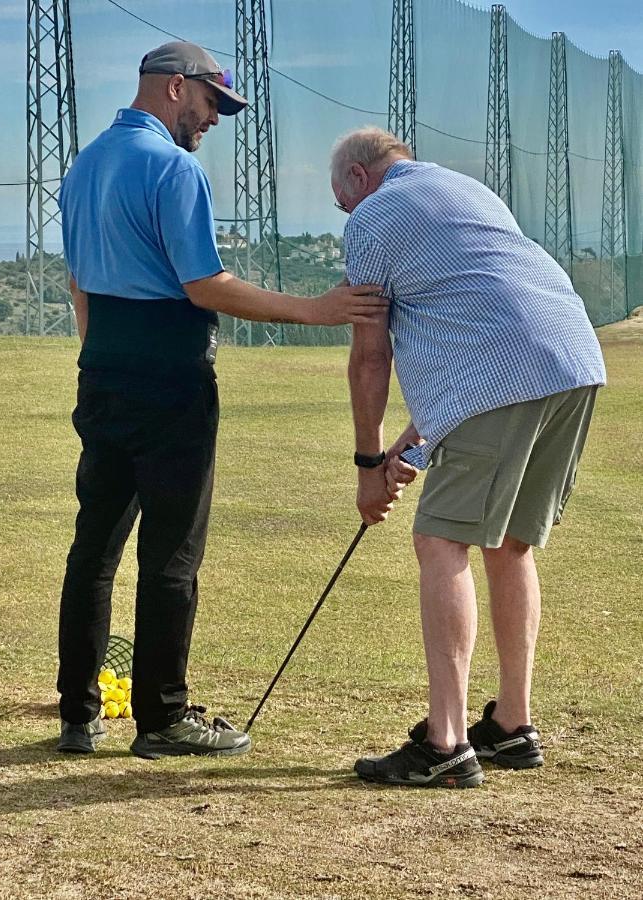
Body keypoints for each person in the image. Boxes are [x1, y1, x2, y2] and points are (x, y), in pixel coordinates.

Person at [56, 42, 386, 760]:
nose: (212, 122)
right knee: (171, 553)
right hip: (170, 380)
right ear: (176, 89)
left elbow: (79, 282)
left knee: (94, 549)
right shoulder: (174, 168)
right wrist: (316, 309)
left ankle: (78, 716)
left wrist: (101, 357)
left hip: (102, 369)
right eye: (210, 106)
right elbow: (204, 284)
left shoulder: (81, 166)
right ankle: (162, 720)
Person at [330, 126, 606, 788]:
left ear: (360, 178)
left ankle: (445, 744)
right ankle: (511, 726)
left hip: (503, 373)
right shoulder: (463, 190)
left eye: (343, 201)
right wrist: (412, 439)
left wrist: (369, 465)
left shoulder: (372, 217)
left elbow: (372, 354)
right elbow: (475, 308)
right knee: (509, 543)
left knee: (439, 541)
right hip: (571, 360)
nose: (347, 216)